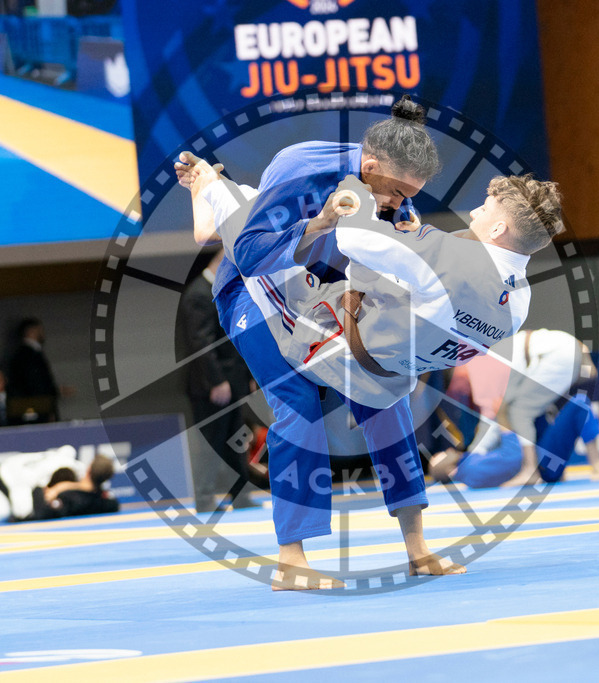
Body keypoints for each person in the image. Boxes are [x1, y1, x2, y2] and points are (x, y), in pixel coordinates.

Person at [174, 96, 462, 589]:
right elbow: (249, 253)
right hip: (254, 287)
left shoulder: (396, 188)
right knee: (297, 401)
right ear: (368, 167)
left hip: (325, 293)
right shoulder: (300, 167)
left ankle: (417, 548)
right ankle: (292, 560)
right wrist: (322, 221)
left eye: (409, 195)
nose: (399, 202)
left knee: (386, 393)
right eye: (396, 192)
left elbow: (388, 263)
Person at [191, 166, 547, 411]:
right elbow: (437, 302)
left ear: (498, 229)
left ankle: (210, 188)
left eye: (483, 210)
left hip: (332, 348)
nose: (473, 214)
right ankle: (234, 196)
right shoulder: (520, 302)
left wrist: (355, 185)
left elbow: (353, 237)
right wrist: (413, 241)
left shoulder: (449, 259)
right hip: (390, 386)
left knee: (261, 259)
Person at [456, 330, 599, 487]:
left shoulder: (485, 367)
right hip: (550, 467)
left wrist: (470, 454)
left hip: (544, 463)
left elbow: (491, 420)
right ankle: (595, 465)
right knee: (570, 405)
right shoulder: (503, 363)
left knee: (519, 412)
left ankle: (532, 470)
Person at [182, 248, 259, 513]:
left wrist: (247, 376)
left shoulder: (222, 291)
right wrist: (216, 381)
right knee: (210, 443)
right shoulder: (198, 294)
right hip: (211, 386)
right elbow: (200, 342)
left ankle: (240, 495)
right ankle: (204, 500)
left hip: (232, 379)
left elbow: (238, 335)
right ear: (220, 262)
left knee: (235, 439)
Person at [0, 448, 119, 523]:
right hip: (16, 473)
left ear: (90, 468)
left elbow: (40, 512)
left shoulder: (73, 497)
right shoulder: (78, 471)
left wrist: (51, 489)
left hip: (19, 486)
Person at [8, 317, 61, 422]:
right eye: (40, 330)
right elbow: (36, 385)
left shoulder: (28, 354)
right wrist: (47, 409)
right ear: (31, 331)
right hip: (37, 412)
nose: (42, 333)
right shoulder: (28, 356)